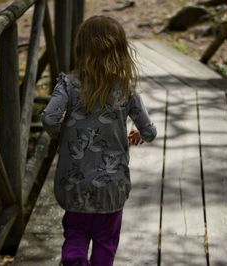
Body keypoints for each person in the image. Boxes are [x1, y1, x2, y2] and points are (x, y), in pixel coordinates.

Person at [41, 15, 157, 266]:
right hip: (111, 186)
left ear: (81, 49)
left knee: (75, 232)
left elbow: (49, 117)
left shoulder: (69, 86)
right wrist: (139, 135)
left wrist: (60, 135)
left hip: (74, 184)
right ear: (120, 51)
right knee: (106, 240)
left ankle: (74, 260)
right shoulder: (126, 89)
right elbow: (149, 131)